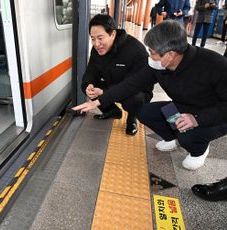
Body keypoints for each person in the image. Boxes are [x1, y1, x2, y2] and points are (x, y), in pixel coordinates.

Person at [73, 20, 227, 170]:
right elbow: (131, 84)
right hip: (183, 107)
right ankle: (172, 138)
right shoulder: (158, 65)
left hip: (214, 115)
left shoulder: (216, 65)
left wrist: (196, 119)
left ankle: (199, 150)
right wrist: (99, 101)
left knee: (187, 136)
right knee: (145, 112)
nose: (150, 57)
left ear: (170, 55)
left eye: (153, 53)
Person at [81, 14, 153, 135]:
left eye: (100, 38)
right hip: (112, 84)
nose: (96, 44)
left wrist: (104, 92)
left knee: (134, 100)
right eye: (92, 39)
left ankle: (132, 119)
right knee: (86, 86)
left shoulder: (135, 49)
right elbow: (91, 71)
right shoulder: (97, 49)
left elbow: (132, 85)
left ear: (112, 34)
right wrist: (89, 84)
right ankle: (112, 111)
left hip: (134, 89)